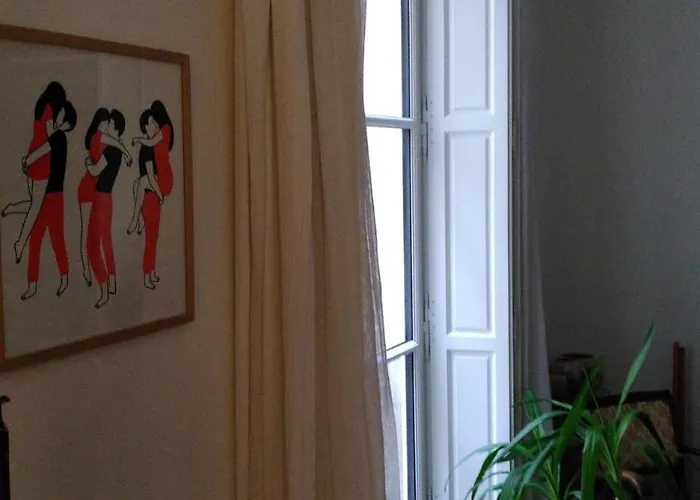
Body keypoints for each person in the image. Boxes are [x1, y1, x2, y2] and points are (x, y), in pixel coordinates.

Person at [2, 82, 67, 264]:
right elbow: (50, 138)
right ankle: (20, 243)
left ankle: (11, 209)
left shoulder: (41, 107)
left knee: (35, 205)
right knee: (36, 209)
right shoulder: (49, 110)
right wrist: (62, 126)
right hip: (41, 161)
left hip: (34, 155)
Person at [20, 101, 77, 300]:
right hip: (53, 195)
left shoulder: (58, 136)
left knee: (45, 237)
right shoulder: (60, 138)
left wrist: (27, 161)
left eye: (59, 113)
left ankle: (38, 284)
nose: (55, 116)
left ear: (65, 119)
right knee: (50, 238)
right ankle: (56, 279)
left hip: (51, 195)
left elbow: (40, 152)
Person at [78, 108, 132, 286]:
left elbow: (115, 143)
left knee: (96, 235)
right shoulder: (99, 136)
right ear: (101, 123)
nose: (108, 125)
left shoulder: (106, 141)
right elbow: (115, 142)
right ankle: (86, 269)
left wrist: (124, 151)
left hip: (97, 191)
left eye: (110, 123)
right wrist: (126, 153)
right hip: (88, 189)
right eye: (106, 122)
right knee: (87, 234)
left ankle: (97, 274)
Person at [128, 100, 174, 235]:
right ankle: (139, 220)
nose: (154, 123)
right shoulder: (160, 131)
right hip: (160, 174)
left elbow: (151, 141)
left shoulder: (165, 129)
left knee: (142, 181)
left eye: (154, 119)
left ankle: (135, 220)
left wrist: (137, 139)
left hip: (165, 177)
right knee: (137, 184)